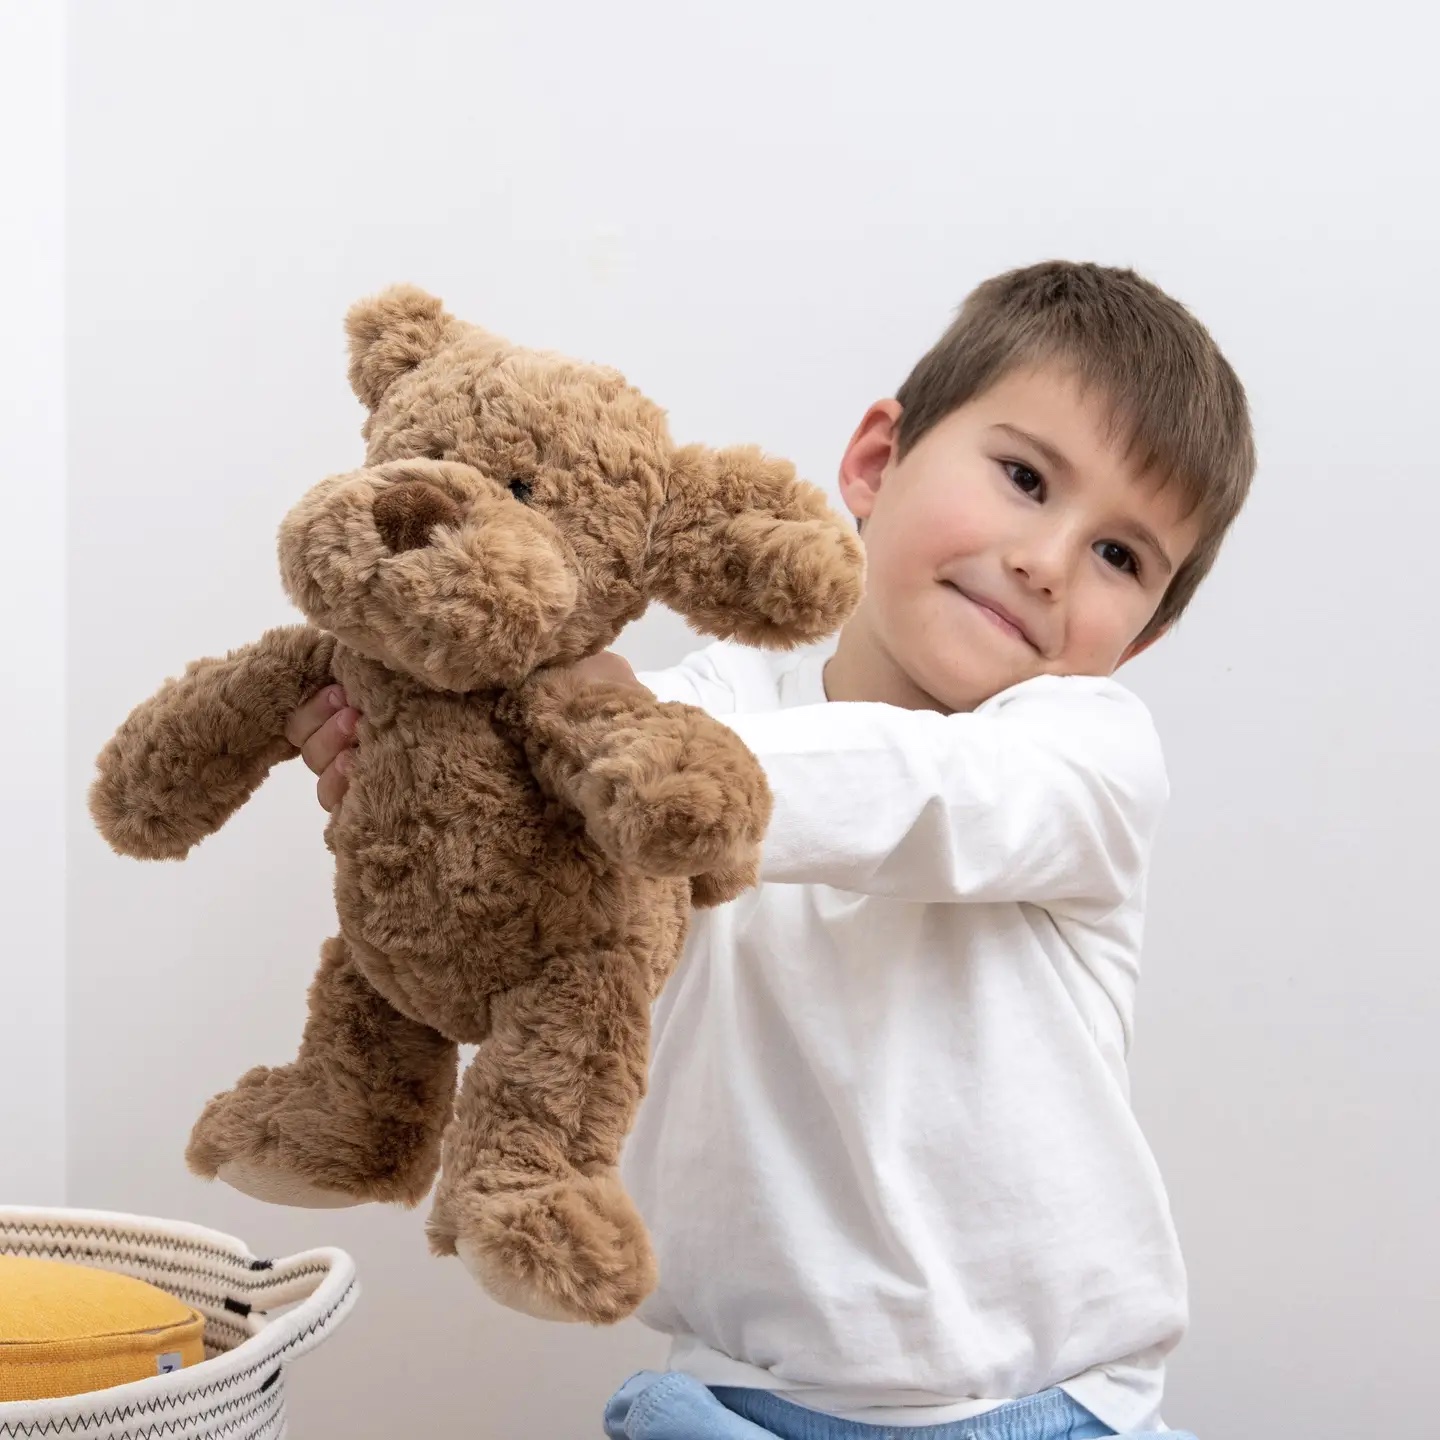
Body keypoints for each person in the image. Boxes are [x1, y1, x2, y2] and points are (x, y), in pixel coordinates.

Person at [287, 261, 1254, 1439]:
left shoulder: (1086, 758)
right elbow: (548, 952)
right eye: (1023, 478)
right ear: (877, 462)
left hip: (1050, 1410)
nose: (1047, 560)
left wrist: (612, 758)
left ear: (1139, 639)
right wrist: (437, 785)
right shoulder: (691, 706)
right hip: (739, 1403)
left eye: (1120, 557)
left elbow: (922, 793)